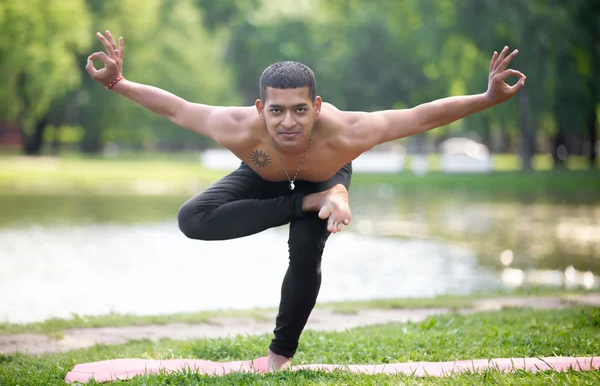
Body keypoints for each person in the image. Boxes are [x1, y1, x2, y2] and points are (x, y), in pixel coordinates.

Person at [86, 30, 526, 371]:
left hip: (324, 172)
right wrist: (118, 83)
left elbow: (417, 116)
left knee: (304, 252)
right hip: (265, 173)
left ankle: (280, 354)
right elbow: (175, 108)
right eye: (276, 110)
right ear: (260, 109)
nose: (288, 121)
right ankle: (317, 201)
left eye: (299, 109)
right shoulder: (239, 128)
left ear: (316, 106)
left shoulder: (349, 131)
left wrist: (487, 98)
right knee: (192, 218)